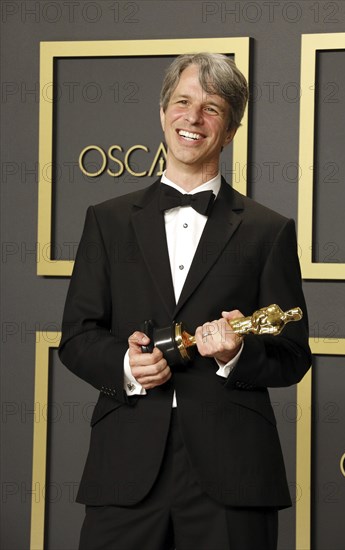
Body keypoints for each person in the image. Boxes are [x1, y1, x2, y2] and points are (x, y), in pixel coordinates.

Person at [59, 52, 312, 550]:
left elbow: (293, 356)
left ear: (232, 129)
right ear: (162, 113)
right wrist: (127, 366)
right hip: (125, 465)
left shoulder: (270, 230)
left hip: (234, 472)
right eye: (182, 102)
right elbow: (77, 336)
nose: (193, 119)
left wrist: (235, 354)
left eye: (212, 108)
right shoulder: (106, 221)